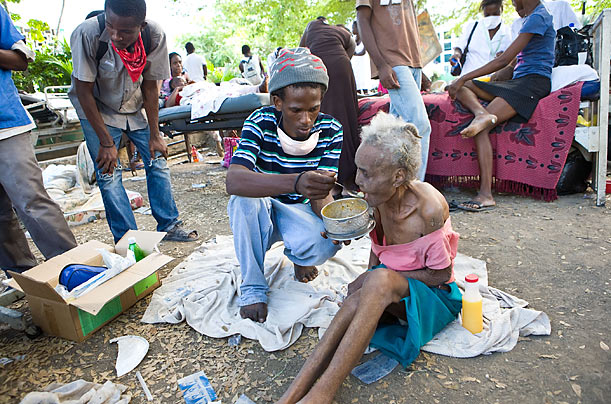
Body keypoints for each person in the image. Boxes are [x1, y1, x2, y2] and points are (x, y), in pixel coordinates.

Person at [278, 112, 462, 404]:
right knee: (356, 296)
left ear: (398, 176)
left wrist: (373, 280)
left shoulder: (428, 210)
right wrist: (361, 273)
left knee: (375, 281)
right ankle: (290, 397)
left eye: (366, 173)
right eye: (358, 170)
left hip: (432, 300)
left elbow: (441, 276)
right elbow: (379, 254)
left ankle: (322, 395)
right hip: (392, 291)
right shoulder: (375, 202)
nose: (357, 181)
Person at [226, 48, 343, 323]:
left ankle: (299, 257)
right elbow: (234, 180)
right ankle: (253, 286)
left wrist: (335, 222)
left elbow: (320, 193)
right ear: (277, 102)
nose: (306, 119)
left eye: (313, 109)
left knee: (325, 243)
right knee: (243, 200)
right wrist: (296, 182)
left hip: (298, 212)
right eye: (296, 110)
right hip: (261, 208)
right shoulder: (260, 121)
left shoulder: (331, 129)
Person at [69, 0, 198, 242]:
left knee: (157, 158)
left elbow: (150, 87)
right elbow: (83, 91)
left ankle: (169, 226)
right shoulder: (86, 34)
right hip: (97, 108)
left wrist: (155, 134)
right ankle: (128, 238)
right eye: (111, 27)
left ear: (141, 26)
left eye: (126, 31)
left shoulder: (154, 35)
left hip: (135, 104)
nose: (116, 36)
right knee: (108, 172)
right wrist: (107, 143)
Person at [447, 0, 555, 211]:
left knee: (479, 126)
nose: (514, 4)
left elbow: (504, 59)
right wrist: (465, 80)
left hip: (532, 84)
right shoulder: (528, 19)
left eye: (515, 1)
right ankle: (481, 113)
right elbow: (511, 63)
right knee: (463, 86)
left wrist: (463, 77)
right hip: (518, 81)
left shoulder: (539, 17)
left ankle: (486, 194)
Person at [0, 6, 77, 274]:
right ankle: (24, 277)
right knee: (0, 217)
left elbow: (21, 60)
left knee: (31, 201)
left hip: (5, 125)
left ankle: (74, 268)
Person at [356, 0, 432, 182]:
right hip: (392, 62)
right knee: (420, 125)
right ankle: (415, 190)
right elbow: (362, 20)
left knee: (395, 133)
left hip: (412, 64)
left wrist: (420, 68)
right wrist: (382, 65)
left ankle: (386, 187)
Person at [300, 17, 360, 194]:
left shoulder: (311, 26)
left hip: (319, 69)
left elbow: (302, 51)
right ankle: (348, 182)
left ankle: (332, 182)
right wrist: (343, 60)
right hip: (342, 66)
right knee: (347, 117)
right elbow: (353, 46)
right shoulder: (339, 30)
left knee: (326, 116)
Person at [450, 0, 513, 77]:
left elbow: (512, 57)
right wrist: (456, 55)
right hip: (469, 77)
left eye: (495, 14)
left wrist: (504, 56)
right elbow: (459, 47)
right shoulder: (472, 27)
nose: (491, 17)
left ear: (501, 10)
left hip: (494, 80)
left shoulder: (508, 32)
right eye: (487, 15)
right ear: (483, 13)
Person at [350, 20, 375, 94]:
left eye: (353, 27)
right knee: (356, 78)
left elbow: (362, 52)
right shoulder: (353, 39)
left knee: (363, 79)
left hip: (363, 62)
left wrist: (353, 54)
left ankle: (365, 93)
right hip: (355, 63)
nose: (352, 30)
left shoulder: (364, 38)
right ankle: (358, 94)